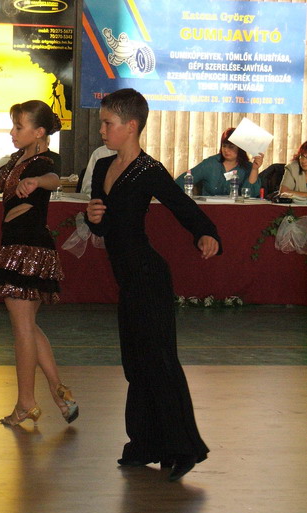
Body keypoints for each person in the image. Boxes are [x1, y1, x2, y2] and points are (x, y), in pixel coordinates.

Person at [85, 88, 221, 482]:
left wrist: (206, 233)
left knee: (159, 362)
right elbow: (104, 227)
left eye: (108, 123)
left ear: (131, 126)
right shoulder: (102, 166)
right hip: (127, 278)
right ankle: (144, 444)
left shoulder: (148, 170)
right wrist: (93, 216)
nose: (102, 131)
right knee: (136, 364)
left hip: (148, 276)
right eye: (102, 123)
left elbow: (182, 205)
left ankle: (184, 449)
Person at [0, 100, 78, 427]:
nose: (12, 132)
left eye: (19, 127)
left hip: (28, 249)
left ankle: (26, 402)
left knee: (23, 329)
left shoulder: (46, 160)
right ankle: (59, 392)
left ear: (39, 132)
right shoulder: (16, 159)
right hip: (18, 246)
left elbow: (54, 179)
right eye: (13, 126)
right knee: (28, 326)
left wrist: (36, 183)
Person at [175, 127, 264, 197]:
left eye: (231, 147)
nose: (226, 150)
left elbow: (250, 195)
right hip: (209, 209)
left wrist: (254, 169)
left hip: (236, 210)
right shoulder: (211, 163)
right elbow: (181, 182)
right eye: (224, 146)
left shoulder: (247, 167)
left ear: (240, 148)